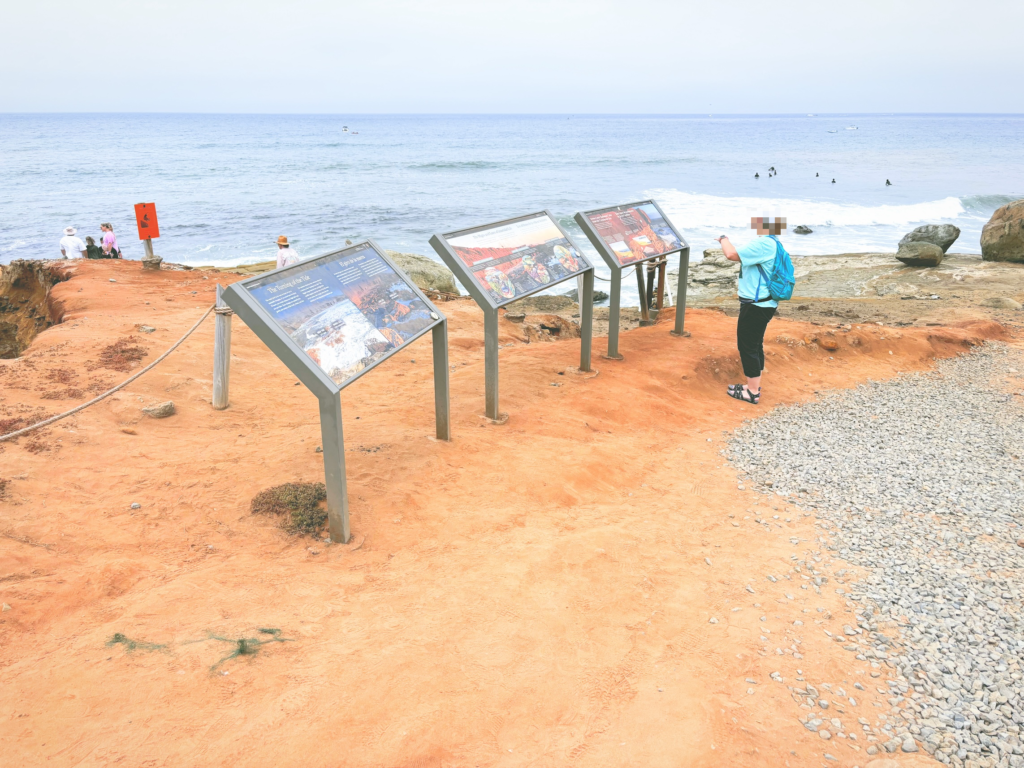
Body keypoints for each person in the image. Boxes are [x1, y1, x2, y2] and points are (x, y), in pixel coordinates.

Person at [716, 216, 787, 405]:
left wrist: (723, 238)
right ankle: (753, 384)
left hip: (757, 304)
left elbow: (731, 255)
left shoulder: (763, 244)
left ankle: (753, 392)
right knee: (755, 343)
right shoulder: (774, 243)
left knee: (747, 345)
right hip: (765, 302)